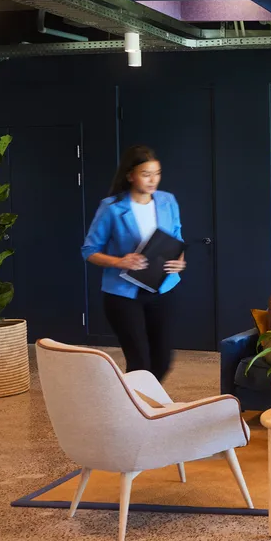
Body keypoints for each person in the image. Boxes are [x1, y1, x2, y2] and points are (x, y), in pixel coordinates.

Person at [81, 146, 186, 381]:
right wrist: (120, 261)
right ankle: (139, 412)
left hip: (163, 288)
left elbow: (177, 236)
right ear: (130, 175)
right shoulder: (111, 208)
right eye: (146, 173)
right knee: (139, 361)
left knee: (162, 360)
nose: (153, 180)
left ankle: (145, 403)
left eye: (157, 173)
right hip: (123, 295)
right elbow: (89, 251)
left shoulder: (167, 201)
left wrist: (180, 260)